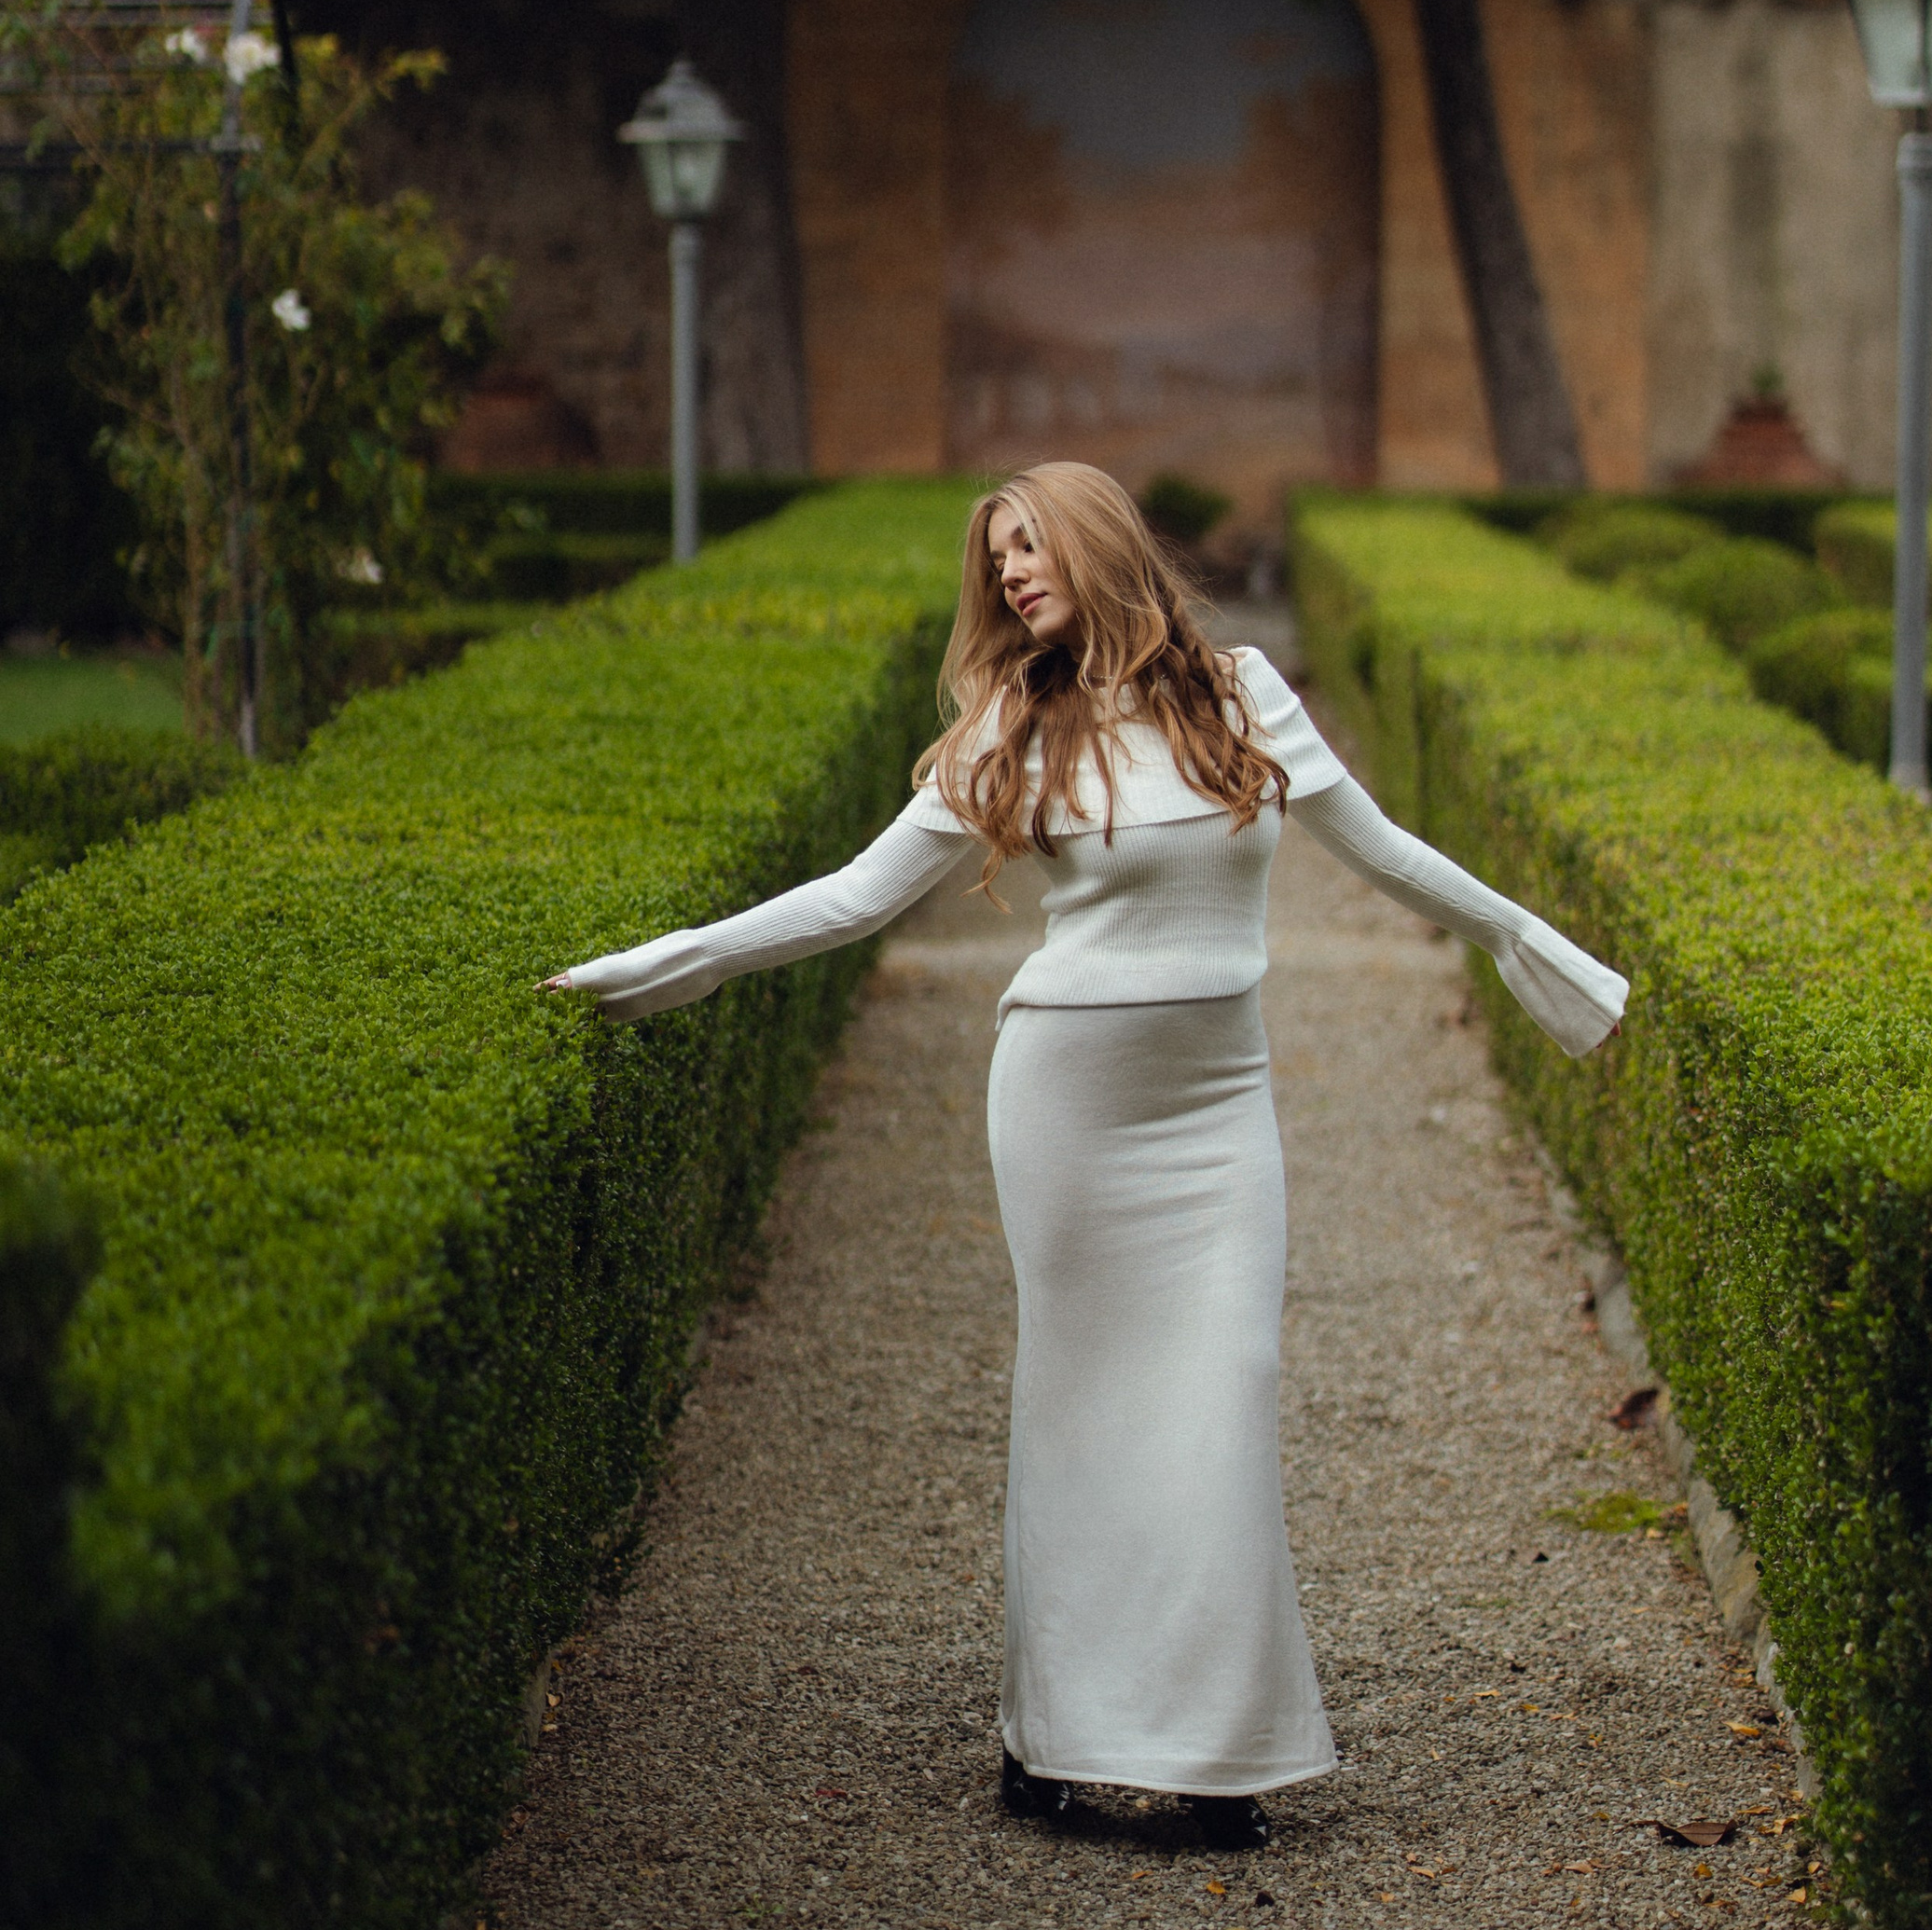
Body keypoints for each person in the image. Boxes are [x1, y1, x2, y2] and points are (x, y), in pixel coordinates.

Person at [546, 462, 1627, 1852]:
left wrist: (1536, 948)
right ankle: (1048, 1736)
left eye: (1028, 545)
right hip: (1067, 1101)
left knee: (1225, 1396)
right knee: (1079, 1408)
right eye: (995, 557)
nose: (1008, 574)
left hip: (1219, 1107)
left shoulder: (1240, 694)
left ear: (1098, 544)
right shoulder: (1014, 719)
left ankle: (1219, 1756)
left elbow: (1391, 853)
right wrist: (668, 965)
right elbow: (854, 898)